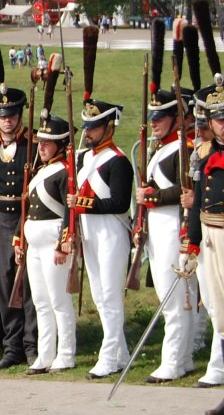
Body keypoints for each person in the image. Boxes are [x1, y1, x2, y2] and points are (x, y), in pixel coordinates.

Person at [0, 33, 38, 370]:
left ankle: (32, 344)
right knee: (4, 284)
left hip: (26, 219)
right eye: (2, 115)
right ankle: (11, 345)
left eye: (13, 114)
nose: (8, 120)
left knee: (27, 282)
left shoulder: (31, 149)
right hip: (2, 221)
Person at [67, 86, 133, 380]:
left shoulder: (118, 161)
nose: (88, 133)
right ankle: (120, 353)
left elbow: (119, 202)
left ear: (109, 127)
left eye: (94, 128)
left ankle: (108, 356)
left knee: (109, 295)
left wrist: (81, 203)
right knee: (99, 295)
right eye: (87, 127)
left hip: (112, 233)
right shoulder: (85, 158)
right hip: (92, 234)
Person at [138, 84, 196, 382]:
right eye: (153, 117)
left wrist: (151, 196)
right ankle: (184, 358)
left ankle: (173, 360)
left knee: (174, 298)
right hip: (159, 228)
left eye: (161, 117)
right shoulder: (161, 148)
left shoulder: (183, 149)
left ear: (176, 117)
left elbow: (185, 188)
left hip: (174, 226)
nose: (154, 123)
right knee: (171, 295)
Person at [20, 111, 77, 374]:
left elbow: (69, 211)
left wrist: (63, 242)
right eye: (40, 142)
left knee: (59, 301)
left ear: (60, 145)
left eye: (47, 142)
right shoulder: (40, 171)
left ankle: (66, 353)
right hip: (34, 244)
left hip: (54, 242)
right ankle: (45, 354)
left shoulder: (64, 172)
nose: (40, 147)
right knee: (41, 301)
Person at [187, 80, 224, 415]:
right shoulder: (202, 154)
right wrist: (192, 242)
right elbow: (197, 203)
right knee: (218, 311)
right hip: (211, 237)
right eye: (217, 119)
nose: (221, 124)